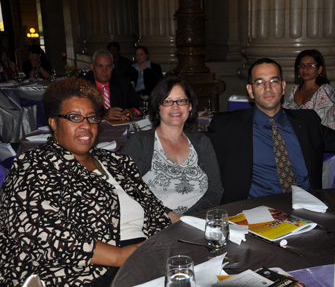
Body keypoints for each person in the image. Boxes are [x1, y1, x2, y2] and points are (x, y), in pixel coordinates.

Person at [0, 77, 171, 286]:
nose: (86, 126)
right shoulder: (34, 165)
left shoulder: (118, 161)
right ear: (53, 122)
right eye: (74, 117)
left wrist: (195, 227)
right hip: (84, 271)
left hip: (146, 254)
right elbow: (39, 232)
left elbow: (157, 213)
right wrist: (121, 256)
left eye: (91, 118)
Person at [206, 58, 335, 204]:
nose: (268, 88)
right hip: (256, 212)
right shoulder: (228, 126)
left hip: (308, 210)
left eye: (274, 81)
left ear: (283, 86)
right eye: (260, 82)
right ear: (250, 90)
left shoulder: (306, 122)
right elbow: (192, 149)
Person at [122, 76, 223, 219]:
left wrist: (187, 219)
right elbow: (127, 189)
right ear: (158, 106)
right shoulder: (140, 142)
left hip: (198, 223)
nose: (175, 107)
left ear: (190, 106)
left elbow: (215, 190)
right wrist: (169, 216)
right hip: (154, 225)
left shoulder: (202, 142)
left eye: (181, 101)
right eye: (168, 101)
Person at [283, 49, 335, 130]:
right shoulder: (294, 90)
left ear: (319, 69)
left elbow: (322, 124)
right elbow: (284, 116)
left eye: (310, 65)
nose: (305, 69)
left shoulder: (325, 91)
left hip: (322, 138)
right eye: (302, 66)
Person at [83, 49, 141, 121]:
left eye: (108, 66)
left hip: (121, 128)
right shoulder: (83, 86)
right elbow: (79, 113)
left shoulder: (123, 83)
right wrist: (102, 115)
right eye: (100, 66)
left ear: (113, 67)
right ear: (92, 67)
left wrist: (132, 112)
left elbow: (139, 104)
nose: (104, 70)